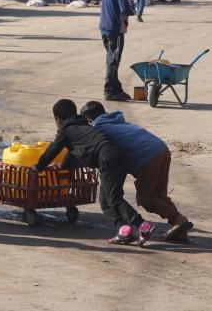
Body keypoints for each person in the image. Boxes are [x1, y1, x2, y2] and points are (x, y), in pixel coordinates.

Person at [34, 99, 154, 246]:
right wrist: (62, 166)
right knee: (105, 199)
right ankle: (124, 231)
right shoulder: (83, 125)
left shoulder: (65, 130)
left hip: (108, 158)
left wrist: (37, 167)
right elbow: (73, 151)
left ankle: (142, 225)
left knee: (114, 198)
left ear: (57, 119)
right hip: (117, 156)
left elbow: (52, 150)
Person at [81, 101, 193, 243]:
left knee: (146, 199)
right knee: (159, 195)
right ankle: (180, 230)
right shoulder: (114, 119)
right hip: (161, 148)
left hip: (146, 157)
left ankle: (178, 220)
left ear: (88, 121)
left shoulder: (98, 128)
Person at [99, 0, 136, 102]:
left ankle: (116, 88)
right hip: (115, 29)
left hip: (104, 27)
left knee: (111, 59)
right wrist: (134, 8)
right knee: (113, 62)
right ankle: (109, 91)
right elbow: (126, 9)